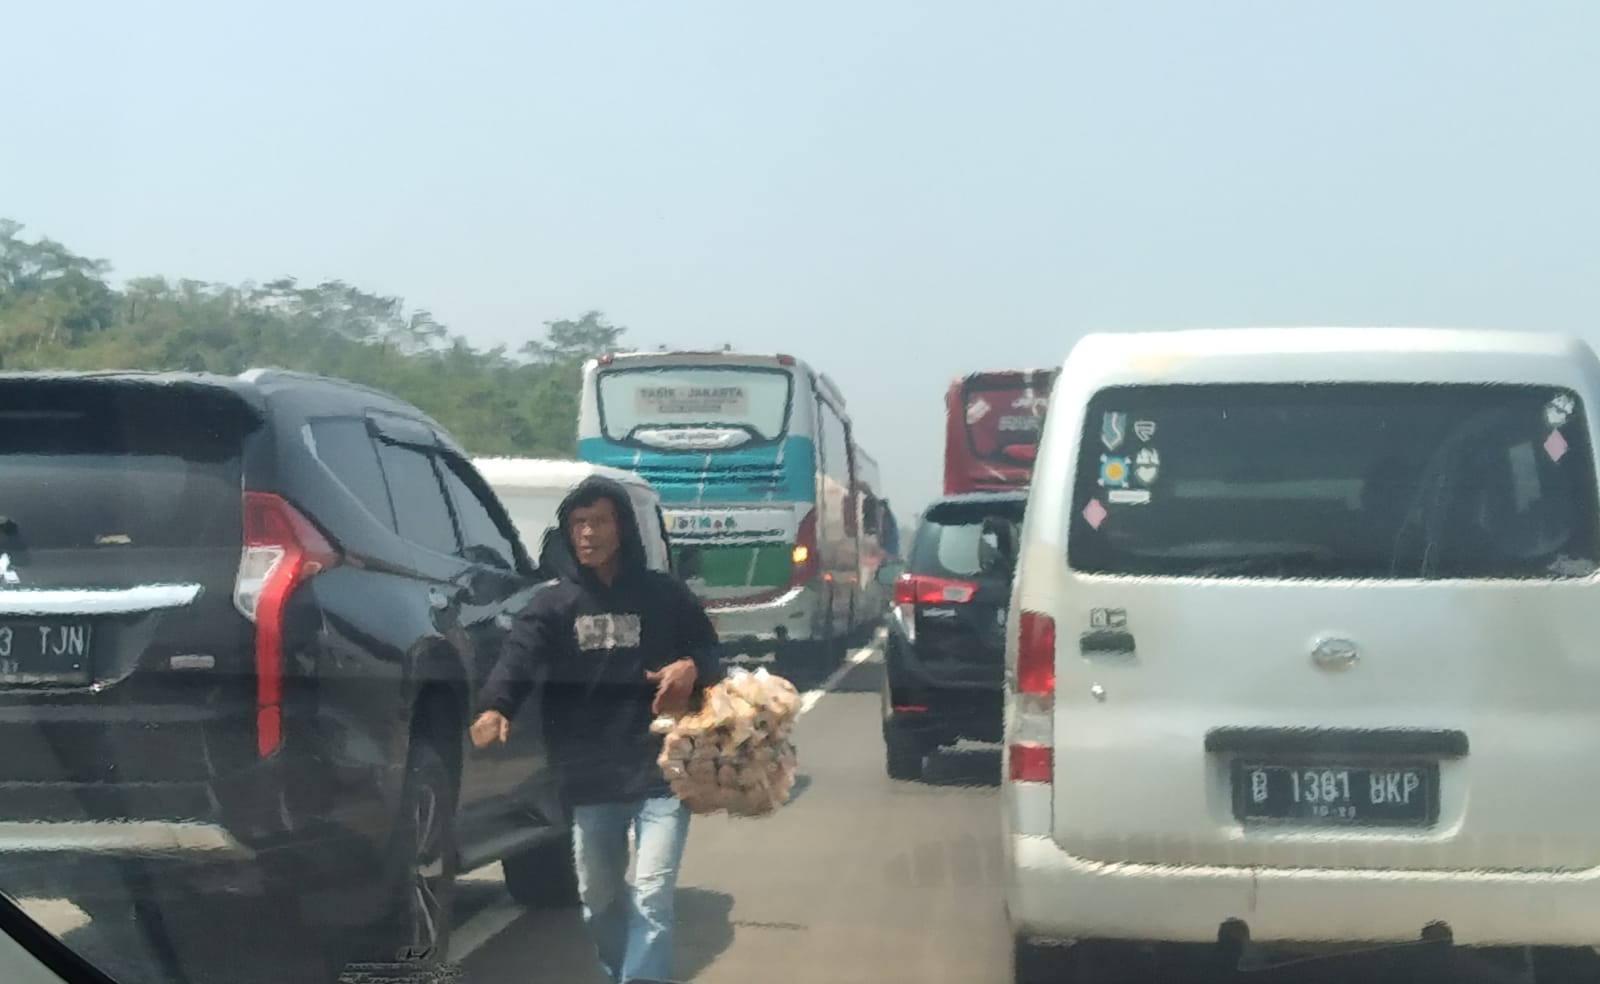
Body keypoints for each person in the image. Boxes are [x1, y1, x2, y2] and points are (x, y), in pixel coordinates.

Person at [470, 476, 722, 984]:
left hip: (662, 770)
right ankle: (619, 971)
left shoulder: (665, 596)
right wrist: (496, 707)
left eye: (599, 521)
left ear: (622, 528)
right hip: (590, 777)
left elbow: (713, 653)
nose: (588, 533)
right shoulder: (551, 605)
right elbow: (517, 660)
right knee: (599, 901)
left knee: (651, 894)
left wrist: (691, 667)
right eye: (578, 523)